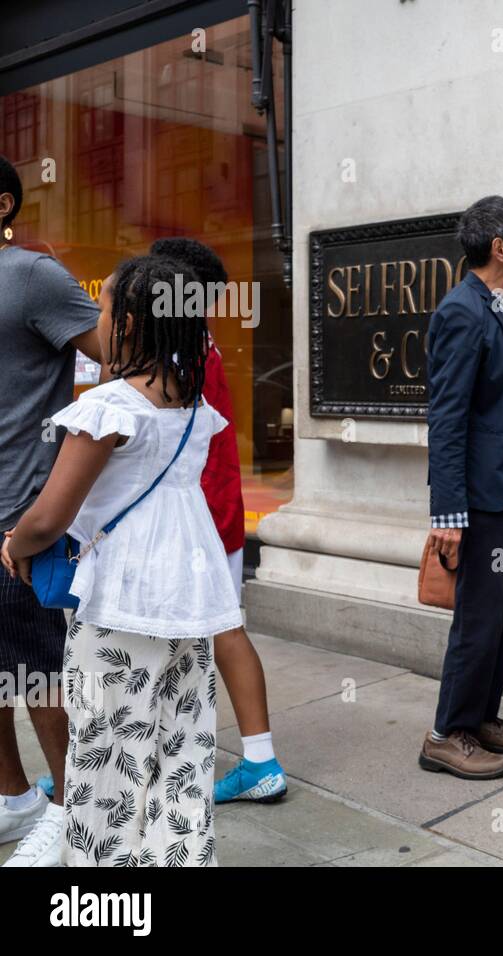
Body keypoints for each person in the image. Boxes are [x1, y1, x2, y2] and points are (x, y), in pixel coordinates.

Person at [2, 255, 242, 866]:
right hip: (190, 595)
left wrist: (15, 543)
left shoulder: (108, 406)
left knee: (107, 753)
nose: (97, 320)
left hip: (125, 599)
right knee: (181, 747)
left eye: (104, 308)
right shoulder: (190, 399)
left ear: (130, 323)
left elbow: (51, 515)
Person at [149, 237, 287, 804]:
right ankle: (258, 760)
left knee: (178, 638)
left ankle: (160, 763)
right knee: (220, 632)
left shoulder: (172, 349)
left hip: (192, 516)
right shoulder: (195, 340)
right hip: (215, 510)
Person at [419, 196, 503, 780]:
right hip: (478, 499)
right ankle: (446, 735)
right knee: (479, 613)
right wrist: (447, 512)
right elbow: (447, 418)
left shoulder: (495, 305)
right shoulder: (462, 312)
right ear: (500, 247)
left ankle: (481, 718)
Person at [0, 154, 103, 866]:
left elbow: (118, 362)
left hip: (18, 511)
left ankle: (76, 816)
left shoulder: (33, 275)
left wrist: (64, 480)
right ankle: (15, 799)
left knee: (38, 672)